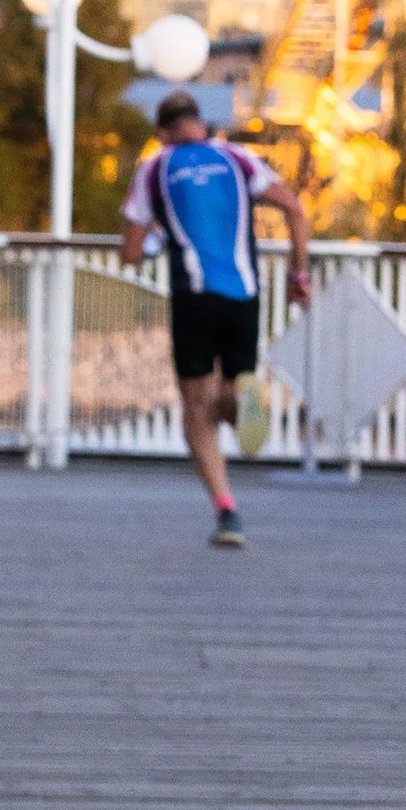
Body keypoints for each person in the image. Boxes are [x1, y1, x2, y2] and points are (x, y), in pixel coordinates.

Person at [118, 91, 311, 546]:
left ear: (163, 133)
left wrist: (158, 240)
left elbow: (129, 253)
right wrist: (298, 275)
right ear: (199, 123)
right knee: (230, 387)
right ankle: (243, 395)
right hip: (244, 292)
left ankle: (226, 510)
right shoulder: (239, 158)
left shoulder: (155, 168)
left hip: (194, 296)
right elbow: (296, 210)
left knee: (196, 405)